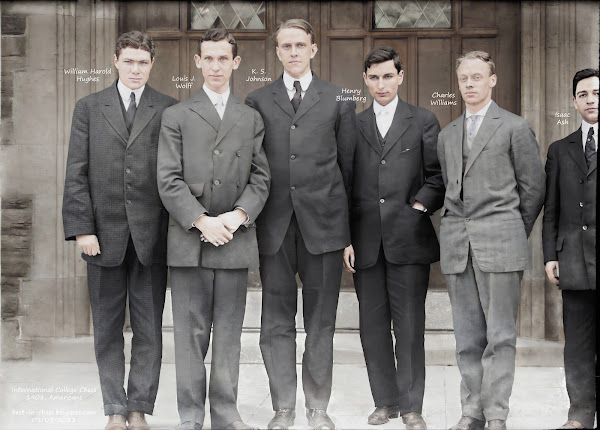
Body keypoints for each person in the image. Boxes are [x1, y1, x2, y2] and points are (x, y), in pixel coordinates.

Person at [62, 31, 177, 430]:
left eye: (143, 62)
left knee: (148, 329)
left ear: (151, 64)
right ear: (115, 61)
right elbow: (76, 173)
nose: (135, 69)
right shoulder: (89, 108)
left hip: (152, 239)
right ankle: (114, 408)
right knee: (107, 329)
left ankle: (139, 407)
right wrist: (82, 229)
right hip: (102, 238)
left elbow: (174, 175)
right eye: (129, 61)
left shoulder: (168, 108)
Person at [245, 18, 356, 430]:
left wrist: (348, 236)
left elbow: (348, 170)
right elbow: (252, 167)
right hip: (273, 227)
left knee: (321, 323)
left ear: (313, 49)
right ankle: (283, 408)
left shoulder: (338, 99)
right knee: (275, 324)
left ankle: (317, 407)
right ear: (277, 53)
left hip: (324, 228)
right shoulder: (257, 99)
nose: (293, 52)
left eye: (300, 45)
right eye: (285, 46)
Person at [157, 28, 270, 430]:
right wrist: (202, 220)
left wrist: (237, 217)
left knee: (227, 335)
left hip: (234, 242)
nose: (217, 65)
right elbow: (168, 179)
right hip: (189, 241)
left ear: (235, 63)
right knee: (189, 336)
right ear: (198, 62)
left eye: (224, 58)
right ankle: (190, 416)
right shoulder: (176, 116)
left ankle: (225, 413)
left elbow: (261, 178)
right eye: (209, 58)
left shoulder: (250, 117)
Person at [436, 50, 545, 430]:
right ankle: (472, 412)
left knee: (500, 337)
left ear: (492, 80)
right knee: (467, 338)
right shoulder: (447, 134)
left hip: (501, 244)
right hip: (457, 248)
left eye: (477, 77)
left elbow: (533, 190)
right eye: (464, 77)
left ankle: (496, 413)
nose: (469, 84)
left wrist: (511, 230)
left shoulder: (515, 127)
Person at [343, 46, 444, 430]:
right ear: (365, 81)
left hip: (409, 241)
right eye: (374, 77)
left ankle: (412, 405)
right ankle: (384, 402)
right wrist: (345, 239)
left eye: (388, 76)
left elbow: (436, 176)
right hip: (365, 243)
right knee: (372, 327)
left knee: (409, 326)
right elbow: (344, 184)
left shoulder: (422, 120)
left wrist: (417, 209)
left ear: (400, 76)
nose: (381, 84)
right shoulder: (353, 125)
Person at [543, 68, 598, 430]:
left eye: (596, 92)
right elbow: (551, 209)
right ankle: (579, 415)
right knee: (576, 344)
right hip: (573, 261)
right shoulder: (559, 150)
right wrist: (550, 255)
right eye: (583, 94)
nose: (591, 99)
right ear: (574, 101)